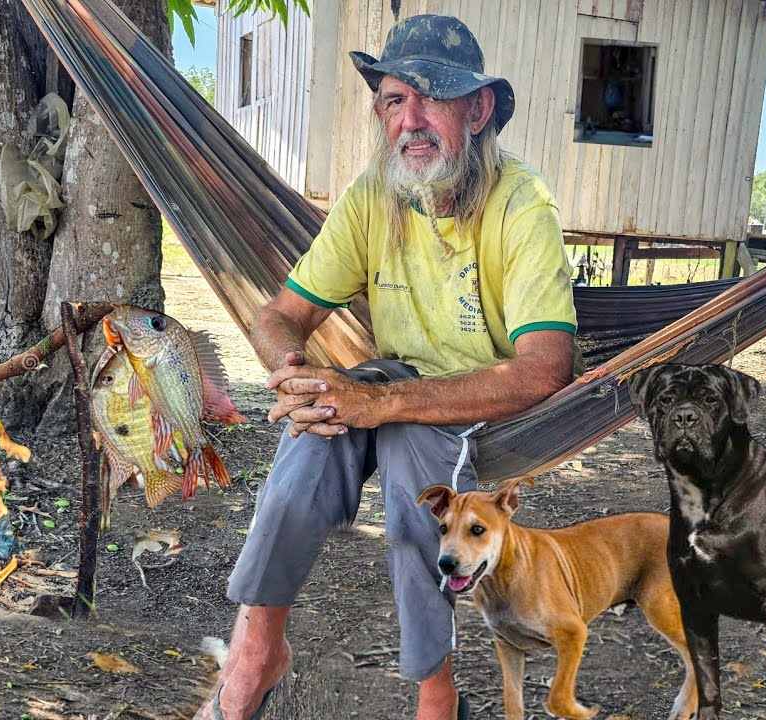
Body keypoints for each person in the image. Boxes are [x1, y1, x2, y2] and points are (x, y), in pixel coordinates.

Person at [197, 14, 578, 720]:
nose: (411, 121)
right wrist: (293, 374)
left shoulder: (521, 205)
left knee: (415, 511)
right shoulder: (376, 192)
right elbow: (279, 314)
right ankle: (256, 653)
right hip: (385, 379)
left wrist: (382, 405)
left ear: (479, 108)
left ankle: (437, 693)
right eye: (393, 101)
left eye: (430, 98)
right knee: (295, 476)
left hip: (476, 396)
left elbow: (544, 368)